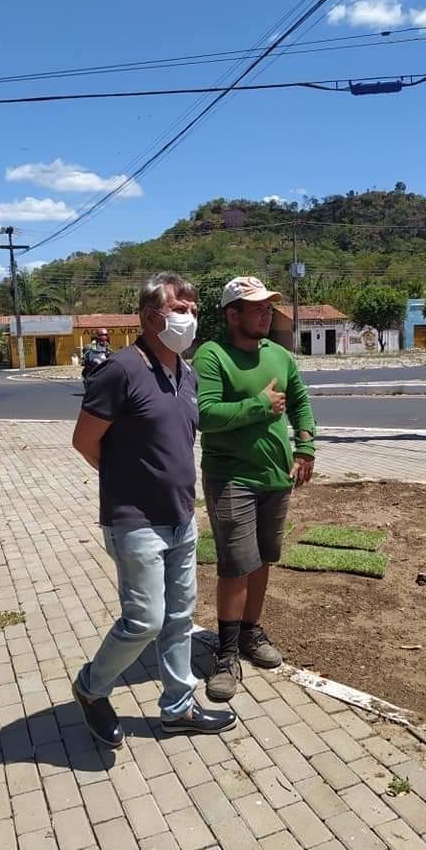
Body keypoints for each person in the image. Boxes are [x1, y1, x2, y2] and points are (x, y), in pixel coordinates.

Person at [71, 272, 237, 746]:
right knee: (145, 620)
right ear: (149, 316)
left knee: (181, 617)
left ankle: (178, 707)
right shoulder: (120, 370)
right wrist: (128, 482)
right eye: (178, 307)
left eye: (192, 307)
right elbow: (85, 440)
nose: (189, 315)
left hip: (182, 518)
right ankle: (90, 688)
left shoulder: (187, 374)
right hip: (136, 521)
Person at [193, 275, 316, 702]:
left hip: (275, 477)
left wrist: (305, 447)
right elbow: (205, 414)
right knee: (235, 564)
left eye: (268, 306)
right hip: (231, 478)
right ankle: (225, 653)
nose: (266, 312)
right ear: (232, 314)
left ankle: (250, 632)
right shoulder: (212, 356)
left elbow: (300, 402)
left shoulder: (280, 356)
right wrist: (260, 406)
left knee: (262, 559)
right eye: (257, 307)